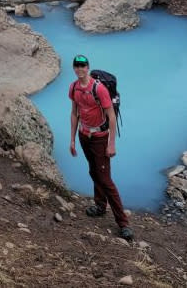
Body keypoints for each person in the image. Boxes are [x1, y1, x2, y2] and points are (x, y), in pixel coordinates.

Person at [68, 53, 133, 241]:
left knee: (105, 178)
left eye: (83, 66)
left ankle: (123, 223)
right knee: (94, 171)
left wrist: (111, 143)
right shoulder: (73, 88)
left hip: (100, 137)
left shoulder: (99, 89)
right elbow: (74, 113)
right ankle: (99, 205)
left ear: (88, 67)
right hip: (84, 134)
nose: (80, 69)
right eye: (77, 66)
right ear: (74, 68)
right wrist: (72, 139)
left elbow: (111, 116)